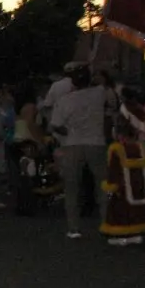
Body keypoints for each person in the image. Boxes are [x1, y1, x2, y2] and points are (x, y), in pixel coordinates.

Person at [50, 65, 108, 238]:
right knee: (102, 184)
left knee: (72, 187)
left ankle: (73, 227)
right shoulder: (99, 94)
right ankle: (106, 221)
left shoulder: (65, 100)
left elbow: (56, 125)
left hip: (73, 143)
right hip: (96, 142)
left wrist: (69, 132)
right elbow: (104, 83)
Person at [99, 117, 145, 245]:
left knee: (119, 210)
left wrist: (110, 186)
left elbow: (113, 170)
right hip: (139, 186)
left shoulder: (116, 149)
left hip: (121, 187)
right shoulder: (140, 148)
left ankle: (120, 236)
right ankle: (135, 234)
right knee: (137, 210)